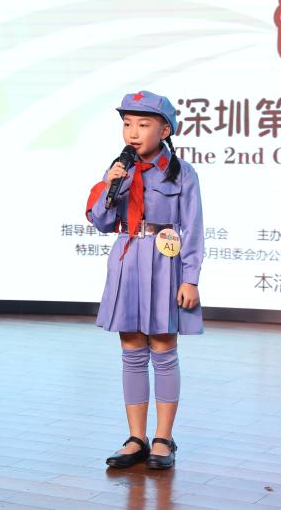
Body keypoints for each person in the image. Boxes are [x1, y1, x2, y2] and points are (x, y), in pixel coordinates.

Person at [84, 90, 204, 470]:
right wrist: (110, 186)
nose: (133, 132)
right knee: (132, 347)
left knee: (164, 346)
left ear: (165, 129)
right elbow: (103, 223)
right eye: (127, 124)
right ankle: (136, 438)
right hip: (127, 259)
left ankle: (163, 438)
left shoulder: (182, 173)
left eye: (143, 124)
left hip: (165, 263)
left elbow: (193, 228)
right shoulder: (120, 170)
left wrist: (190, 278)